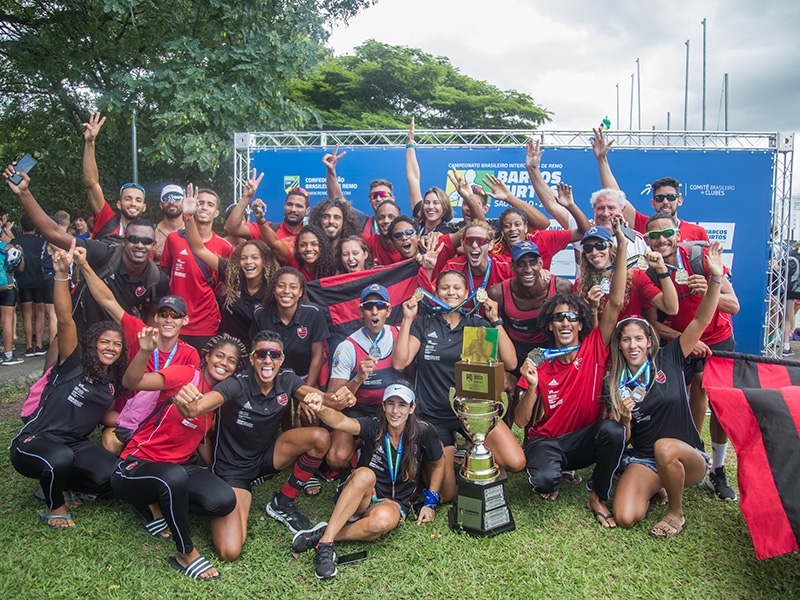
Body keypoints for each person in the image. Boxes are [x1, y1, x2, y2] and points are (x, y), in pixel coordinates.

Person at [172, 330, 355, 561]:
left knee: (320, 437)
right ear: (252, 359)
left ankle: (283, 502)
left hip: (266, 458)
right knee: (230, 551)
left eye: (274, 354)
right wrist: (187, 404)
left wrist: (340, 398)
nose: (267, 360)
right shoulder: (235, 385)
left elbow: (320, 397)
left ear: (281, 359)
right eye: (261, 354)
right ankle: (193, 500)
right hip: (234, 471)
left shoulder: (286, 379)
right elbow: (199, 407)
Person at [514, 218, 629, 527]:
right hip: (547, 442)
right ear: (549, 324)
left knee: (614, 431)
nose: (565, 323)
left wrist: (622, 249)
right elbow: (521, 421)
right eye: (558, 318)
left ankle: (597, 492)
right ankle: (555, 473)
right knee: (544, 483)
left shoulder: (594, 347)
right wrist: (534, 387)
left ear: (580, 323)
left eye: (571, 317)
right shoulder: (537, 359)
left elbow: (615, 302)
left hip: (584, 441)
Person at [609, 242, 726, 537]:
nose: (633, 345)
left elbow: (701, 320)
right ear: (619, 345)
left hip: (688, 459)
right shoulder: (613, 380)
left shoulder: (670, 357)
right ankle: (659, 483)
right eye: (626, 340)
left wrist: (715, 279)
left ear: (649, 341)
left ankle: (676, 511)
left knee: (666, 447)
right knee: (624, 516)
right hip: (645, 458)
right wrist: (623, 419)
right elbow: (621, 440)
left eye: (639, 339)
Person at [9, 240, 127, 528]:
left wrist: (135, 423)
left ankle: (60, 482)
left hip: (75, 445)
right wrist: (62, 275)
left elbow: (103, 415)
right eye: (104, 342)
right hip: (35, 442)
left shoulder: (112, 381)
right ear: (92, 343)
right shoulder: (73, 362)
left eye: (117, 344)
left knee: (111, 477)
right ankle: (54, 505)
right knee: (58, 457)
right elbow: (64, 319)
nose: (111, 348)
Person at [113, 329, 245, 580]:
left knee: (224, 500)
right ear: (206, 356)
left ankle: (160, 503)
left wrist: (216, 471)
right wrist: (144, 351)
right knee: (172, 477)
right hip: (135, 466)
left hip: (179, 467)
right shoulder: (186, 374)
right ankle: (185, 552)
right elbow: (133, 382)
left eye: (231, 361)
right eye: (220, 356)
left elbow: (200, 440)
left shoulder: (217, 400)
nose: (224, 363)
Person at [393, 270, 525, 502]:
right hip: (434, 414)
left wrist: (496, 320)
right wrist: (407, 318)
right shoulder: (423, 324)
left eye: (456, 288)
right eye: (445, 288)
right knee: (446, 495)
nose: (451, 292)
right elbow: (400, 361)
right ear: (435, 292)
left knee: (516, 461)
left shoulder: (476, 324)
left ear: (466, 293)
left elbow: (512, 362)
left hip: (472, 412)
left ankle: (471, 454)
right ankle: (430, 459)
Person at [292, 382, 445, 580]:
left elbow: (439, 464)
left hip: (392, 503)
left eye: (402, 405)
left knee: (382, 522)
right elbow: (341, 422)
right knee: (365, 474)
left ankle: (326, 533)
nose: (395, 411)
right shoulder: (374, 425)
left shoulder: (423, 432)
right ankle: (327, 544)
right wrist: (320, 409)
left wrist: (430, 503)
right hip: (362, 494)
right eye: (390, 403)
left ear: (412, 408)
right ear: (383, 405)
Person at [4, 163, 170, 334]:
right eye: (133, 239)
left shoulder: (156, 279)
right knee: (59, 358)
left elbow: (152, 318)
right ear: (124, 240)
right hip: (82, 327)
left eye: (146, 241)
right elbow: (54, 233)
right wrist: (24, 193)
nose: (140, 245)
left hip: (117, 339)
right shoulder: (104, 251)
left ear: (154, 245)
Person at [643, 213, 740, 501]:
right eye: (654, 236)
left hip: (718, 340)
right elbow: (651, 325)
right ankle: (689, 455)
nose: (661, 240)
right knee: (672, 399)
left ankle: (718, 470)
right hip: (681, 344)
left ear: (679, 234)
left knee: (719, 401)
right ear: (646, 240)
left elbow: (733, 305)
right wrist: (685, 341)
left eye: (667, 233)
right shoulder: (649, 271)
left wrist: (710, 286)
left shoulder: (699, 256)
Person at [72, 247, 199, 454]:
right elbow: (108, 301)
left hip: (159, 418)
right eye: (164, 314)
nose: (169, 319)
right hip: (125, 413)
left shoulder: (190, 353)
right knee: (110, 442)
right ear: (156, 317)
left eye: (175, 316)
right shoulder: (140, 331)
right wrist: (84, 265)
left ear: (184, 320)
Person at [327, 284, 407, 479]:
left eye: (380, 305)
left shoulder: (400, 336)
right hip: (359, 409)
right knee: (336, 458)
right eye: (369, 306)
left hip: (391, 410)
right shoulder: (348, 346)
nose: (374, 311)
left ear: (388, 310)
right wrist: (358, 379)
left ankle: (367, 446)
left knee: (400, 465)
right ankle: (350, 475)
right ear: (360, 310)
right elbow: (333, 399)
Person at [525, 138, 649, 262]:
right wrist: (533, 169)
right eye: (600, 208)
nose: (606, 213)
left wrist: (602, 160)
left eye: (611, 208)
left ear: (622, 210)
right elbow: (552, 204)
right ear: (593, 209)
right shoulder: (584, 230)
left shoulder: (637, 239)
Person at [182, 195, 279, 349]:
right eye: (244, 258)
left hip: (258, 354)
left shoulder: (273, 289)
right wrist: (188, 216)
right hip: (229, 350)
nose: (248, 262)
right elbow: (198, 249)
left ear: (264, 262)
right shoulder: (233, 273)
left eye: (255, 258)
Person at [590, 127, 710, 243]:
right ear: (653, 203)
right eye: (660, 198)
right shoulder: (645, 225)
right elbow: (615, 195)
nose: (665, 202)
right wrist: (602, 160)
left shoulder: (697, 232)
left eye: (671, 197)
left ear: (680, 200)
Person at [161, 184, 232, 352]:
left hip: (206, 324)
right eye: (200, 202)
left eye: (210, 204)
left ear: (216, 213)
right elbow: (165, 274)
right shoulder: (173, 239)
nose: (204, 207)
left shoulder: (225, 247)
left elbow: (226, 289)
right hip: (174, 320)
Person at [488, 240, 573, 377]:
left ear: (541, 263)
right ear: (512, 266)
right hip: (515, 352)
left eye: (533, 263)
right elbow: (494, 332)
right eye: (521, 264)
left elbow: (573, 327)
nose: (528, 269)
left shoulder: (561, 288)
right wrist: (501, 371)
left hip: (552, 350)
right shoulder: (498, 293)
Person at [574, 225, 678, 322]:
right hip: (601, 340)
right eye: (588, 248)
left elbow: (671, 308)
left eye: (600, 245)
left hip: (629, 339)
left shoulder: (636, 277)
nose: (594, 252)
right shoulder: (580, 285)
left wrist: (662, 270)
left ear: (610, 248)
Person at [251, 267, 329, 391]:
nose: (286, 291)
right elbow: (256, 354)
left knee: (309, 409)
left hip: (304, 377)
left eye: (293, 287)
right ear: (273, 290)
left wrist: (307, 391)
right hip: (271, 377)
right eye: (281, 286)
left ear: (300, 292)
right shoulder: (260, 314)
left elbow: (317, 355)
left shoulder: (313, 313)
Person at [82, 113, 147, 241]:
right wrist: (90, 142)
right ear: (119, 204)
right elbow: (91, 183)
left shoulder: (147, 234)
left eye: (138, 200)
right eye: (128, 199)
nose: (133, 203)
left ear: (144, 207)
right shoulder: (106, 220)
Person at [224, 169, 310, 253]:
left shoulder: (311, 236)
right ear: (284, 205)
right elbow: (231, 228)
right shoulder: (266, 229)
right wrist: (247, 197)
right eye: (289, 204)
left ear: (307, 211)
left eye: (299, 206)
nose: (293, 209)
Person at [406, 119, 457, 235]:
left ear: (444, 207)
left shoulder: (447, 230)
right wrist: (410, 145)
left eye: (436, 203)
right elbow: (413, 178)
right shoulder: (418, 224)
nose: (430, 207)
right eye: (427, 202)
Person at [12, 215, 47, 357]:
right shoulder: (42, 241)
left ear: (21, 227)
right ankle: (38, 345)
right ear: (35, 227)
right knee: (40, 313)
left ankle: (28, 346)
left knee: (26, 314)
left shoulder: (16, 241)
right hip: (39, 280)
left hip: (23, 280)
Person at [153, 184, 185, 263]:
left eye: (177, 198)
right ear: (161, 205)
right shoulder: (153, 233)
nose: (171, 201)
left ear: (184, 203)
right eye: (166, 198)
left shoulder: (192, 232)